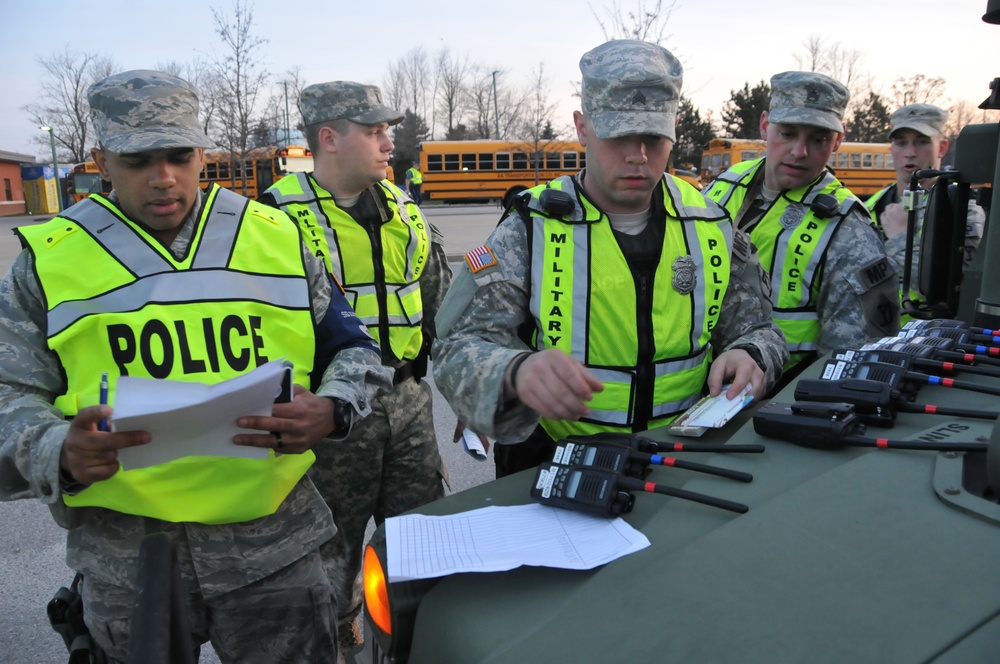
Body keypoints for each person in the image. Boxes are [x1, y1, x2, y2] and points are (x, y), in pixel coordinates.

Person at [0, 70, 393, 663]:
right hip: (129, 562)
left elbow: (355, 347)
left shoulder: (275, 237)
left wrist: (333, 407)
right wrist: (55, 448)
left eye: (179, 155)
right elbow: (9, 393)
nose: (164, 178)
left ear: (202, 153)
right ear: (101, 160)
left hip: (275, 552)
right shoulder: (49, 261)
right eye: (138, 160)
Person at [431, 40, 788, 477]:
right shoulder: (530, 226)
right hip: (558, 464)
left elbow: (760, 329)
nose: (637, 155)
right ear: (583, 128)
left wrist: (751, 353)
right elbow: (456, 348)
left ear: (674, 128)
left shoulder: (712, 224)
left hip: (685, 459)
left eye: (654, 138)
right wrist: (514, 371)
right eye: (619, 135)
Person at [258, 81, 450, 653]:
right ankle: (341, 644)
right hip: (331, 419)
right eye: (374, 131)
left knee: (423, 548)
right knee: (327, 562)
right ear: (329, 138)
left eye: (386, 130)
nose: (388, 142)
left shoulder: (405, 211)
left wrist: (470, 397)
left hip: (410, 405)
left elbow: (439, 304)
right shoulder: (273, 220)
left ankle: (416, 645)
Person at [705, 71, 900, 374]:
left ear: (838, 140)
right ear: (765, 126)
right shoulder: (725, 185)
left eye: (818, 138)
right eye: (788, 133)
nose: (800, 152)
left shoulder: (848, 230)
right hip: (692, 388)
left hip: (776, 402)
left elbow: (853, 361)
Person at [865, 103, 985, 315]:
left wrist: (900, 239)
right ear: (891, 149)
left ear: (942, 147)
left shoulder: (963, 209)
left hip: (925, 339)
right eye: (901, 143)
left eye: (922, 142)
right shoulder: (871, 205)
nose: (910, 153)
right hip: (873, 336)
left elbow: (958, 285)